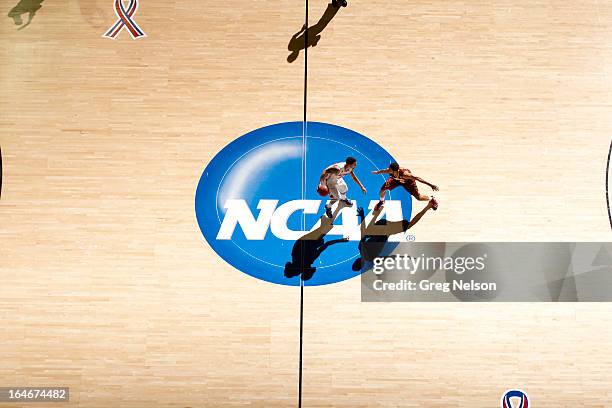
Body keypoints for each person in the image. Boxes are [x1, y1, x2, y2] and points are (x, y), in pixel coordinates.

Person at [372, 162, 439, 211]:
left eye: (390, 169)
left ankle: (431, 199)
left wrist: (431, 185)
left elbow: (418, 178)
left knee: (419, 198)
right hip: (396, 180)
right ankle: (381, 201)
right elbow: (383, 170)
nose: (388, 169)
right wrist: (377, 172)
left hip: (408, 182)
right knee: (382, 190)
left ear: (394, 170)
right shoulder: (390, 170)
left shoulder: (405, 174)